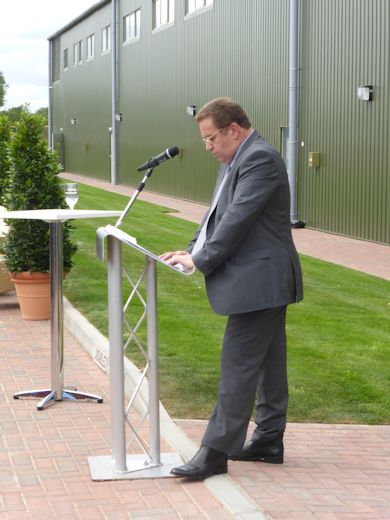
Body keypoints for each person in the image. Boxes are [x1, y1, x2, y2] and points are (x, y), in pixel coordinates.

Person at [161, 97, 303, 480]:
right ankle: (269, 440)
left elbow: (238, 219)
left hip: (262, 279)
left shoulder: (260, 159)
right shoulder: (234, 160)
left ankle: (215, 452)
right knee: (268, 363)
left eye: (210, 138)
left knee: (237, 364)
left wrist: (202, 260)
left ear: (233, 130)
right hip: (264, 279)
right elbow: (215, 215)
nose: (207, 146)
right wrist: (191, 249)